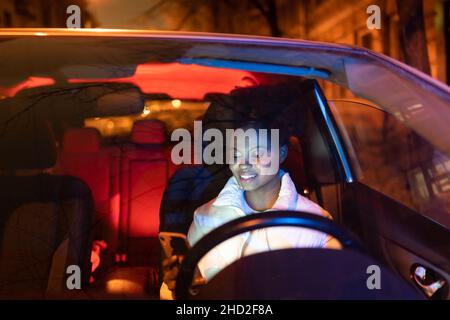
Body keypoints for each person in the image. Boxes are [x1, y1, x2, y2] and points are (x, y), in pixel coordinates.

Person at [160, 84, 341, 300]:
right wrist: (179, 287)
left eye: (257, 154)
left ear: (282, 153)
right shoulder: (205, 217)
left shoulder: (315, 224)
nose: (243, 165)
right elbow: (175, 290)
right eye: (235, 155)